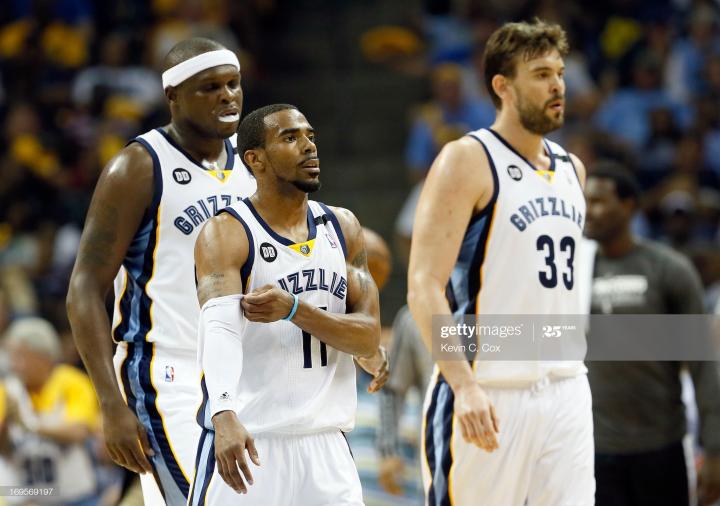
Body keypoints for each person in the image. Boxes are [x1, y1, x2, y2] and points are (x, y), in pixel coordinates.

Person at [407, 19, 594, 505]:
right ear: (502, 86)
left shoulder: (573, 169)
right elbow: (424, 285)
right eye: (541, 75)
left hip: (566, 386)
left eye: (560, 73)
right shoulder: (467, 159)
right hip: (488, 386)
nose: (557, 86)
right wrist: (463, 385)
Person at [66, 37, 257, 506]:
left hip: (243, 372)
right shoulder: (137, 167)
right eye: (210, 87)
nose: (227, 96)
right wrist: (110, 403)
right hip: (167, 376)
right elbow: (84, 290)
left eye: (233, 84)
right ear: (173, 95)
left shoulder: (255, 160)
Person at [189, 104, 382, 505]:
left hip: (327, 444)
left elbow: (368, 337)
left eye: (310, 136)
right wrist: (222, 414)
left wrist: (294, 310)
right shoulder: (226, 232)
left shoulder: (343, 227)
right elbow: (220, 331)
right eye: (290, 138)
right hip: (251, 439)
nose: (309, 146)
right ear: (255, 159)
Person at [583, 162, 720, 506]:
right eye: (584, 201)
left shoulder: (668, 269)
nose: (588, 211)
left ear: (628, 205)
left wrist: (715, 450)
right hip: (594, 449)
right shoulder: (576, 272)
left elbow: (703, 365)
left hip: (661, 447)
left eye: (598, 201)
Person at [0, 317, 100, 505]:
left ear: (43, 356)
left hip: (74, 498)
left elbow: (80, 432)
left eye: (19, 356)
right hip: (23, 498)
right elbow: (3, 449)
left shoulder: (71, 381)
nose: (13, 365)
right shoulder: (7, 391)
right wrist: (5, 427)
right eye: (11, 356)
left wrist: (31, 425)